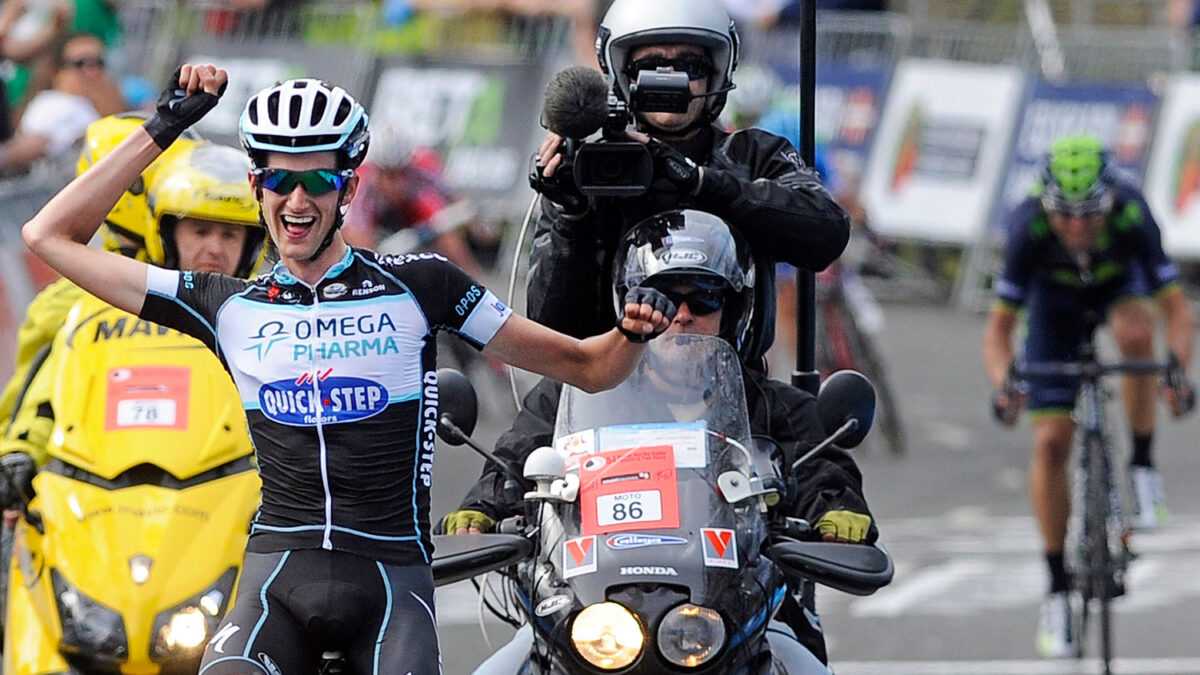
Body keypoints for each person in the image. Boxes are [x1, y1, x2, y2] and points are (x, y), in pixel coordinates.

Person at [20, 62, 676, 673]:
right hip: (275, 578)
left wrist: (633, 332)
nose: (296, 201)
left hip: (390, 583)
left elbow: (588, 368)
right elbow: (48, 236)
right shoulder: (227, 304)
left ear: (349, 188)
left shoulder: (422, 285)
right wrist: (166, 125)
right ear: (257, 186)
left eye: (316, 181)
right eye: (279, 179)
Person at [444, 209, 876, 668]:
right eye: (663, 298)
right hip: (589, 607)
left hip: (733, 609)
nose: (683, 315)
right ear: (629, 305)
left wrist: (837, 509)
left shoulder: (776, 407)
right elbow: (514, 459)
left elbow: (822, 470)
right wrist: (481, 510)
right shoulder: (572, 392)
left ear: (732, 309)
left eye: (706, 297)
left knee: (803, 663)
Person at [527, 0, 849, 368]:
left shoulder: (753, 155)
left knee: (807, 424)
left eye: (689, 66)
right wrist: (573, 218)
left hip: (737, 395)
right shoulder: (591, 168)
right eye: (649, 66)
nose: (669, 78)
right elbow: (551, 332)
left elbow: (829, 232)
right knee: (527, 427)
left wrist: (702, 182)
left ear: (717, 72)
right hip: (606, 396)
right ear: (622, 75)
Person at [982, 134, 1196, 659]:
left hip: (1120, 288)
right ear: (1047, 205)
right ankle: (1056, 586)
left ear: (1109, 200)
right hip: (1052, 308)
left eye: (1089, 216)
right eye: (1066, 217)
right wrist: (1005, 385)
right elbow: (998, 332)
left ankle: (1142, 465)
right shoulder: (1027, 224)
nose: (1078, 228)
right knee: (1051, 440)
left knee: (1138, 336)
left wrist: (1178, 374)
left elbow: (1177, 313)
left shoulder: (1131, 214)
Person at [0, 31, 124, 175]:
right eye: (80, 64)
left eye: (98, 62)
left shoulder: (110, 101)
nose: (91, 71)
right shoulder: (54, 104)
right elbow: (33, 144)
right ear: (58, 72)